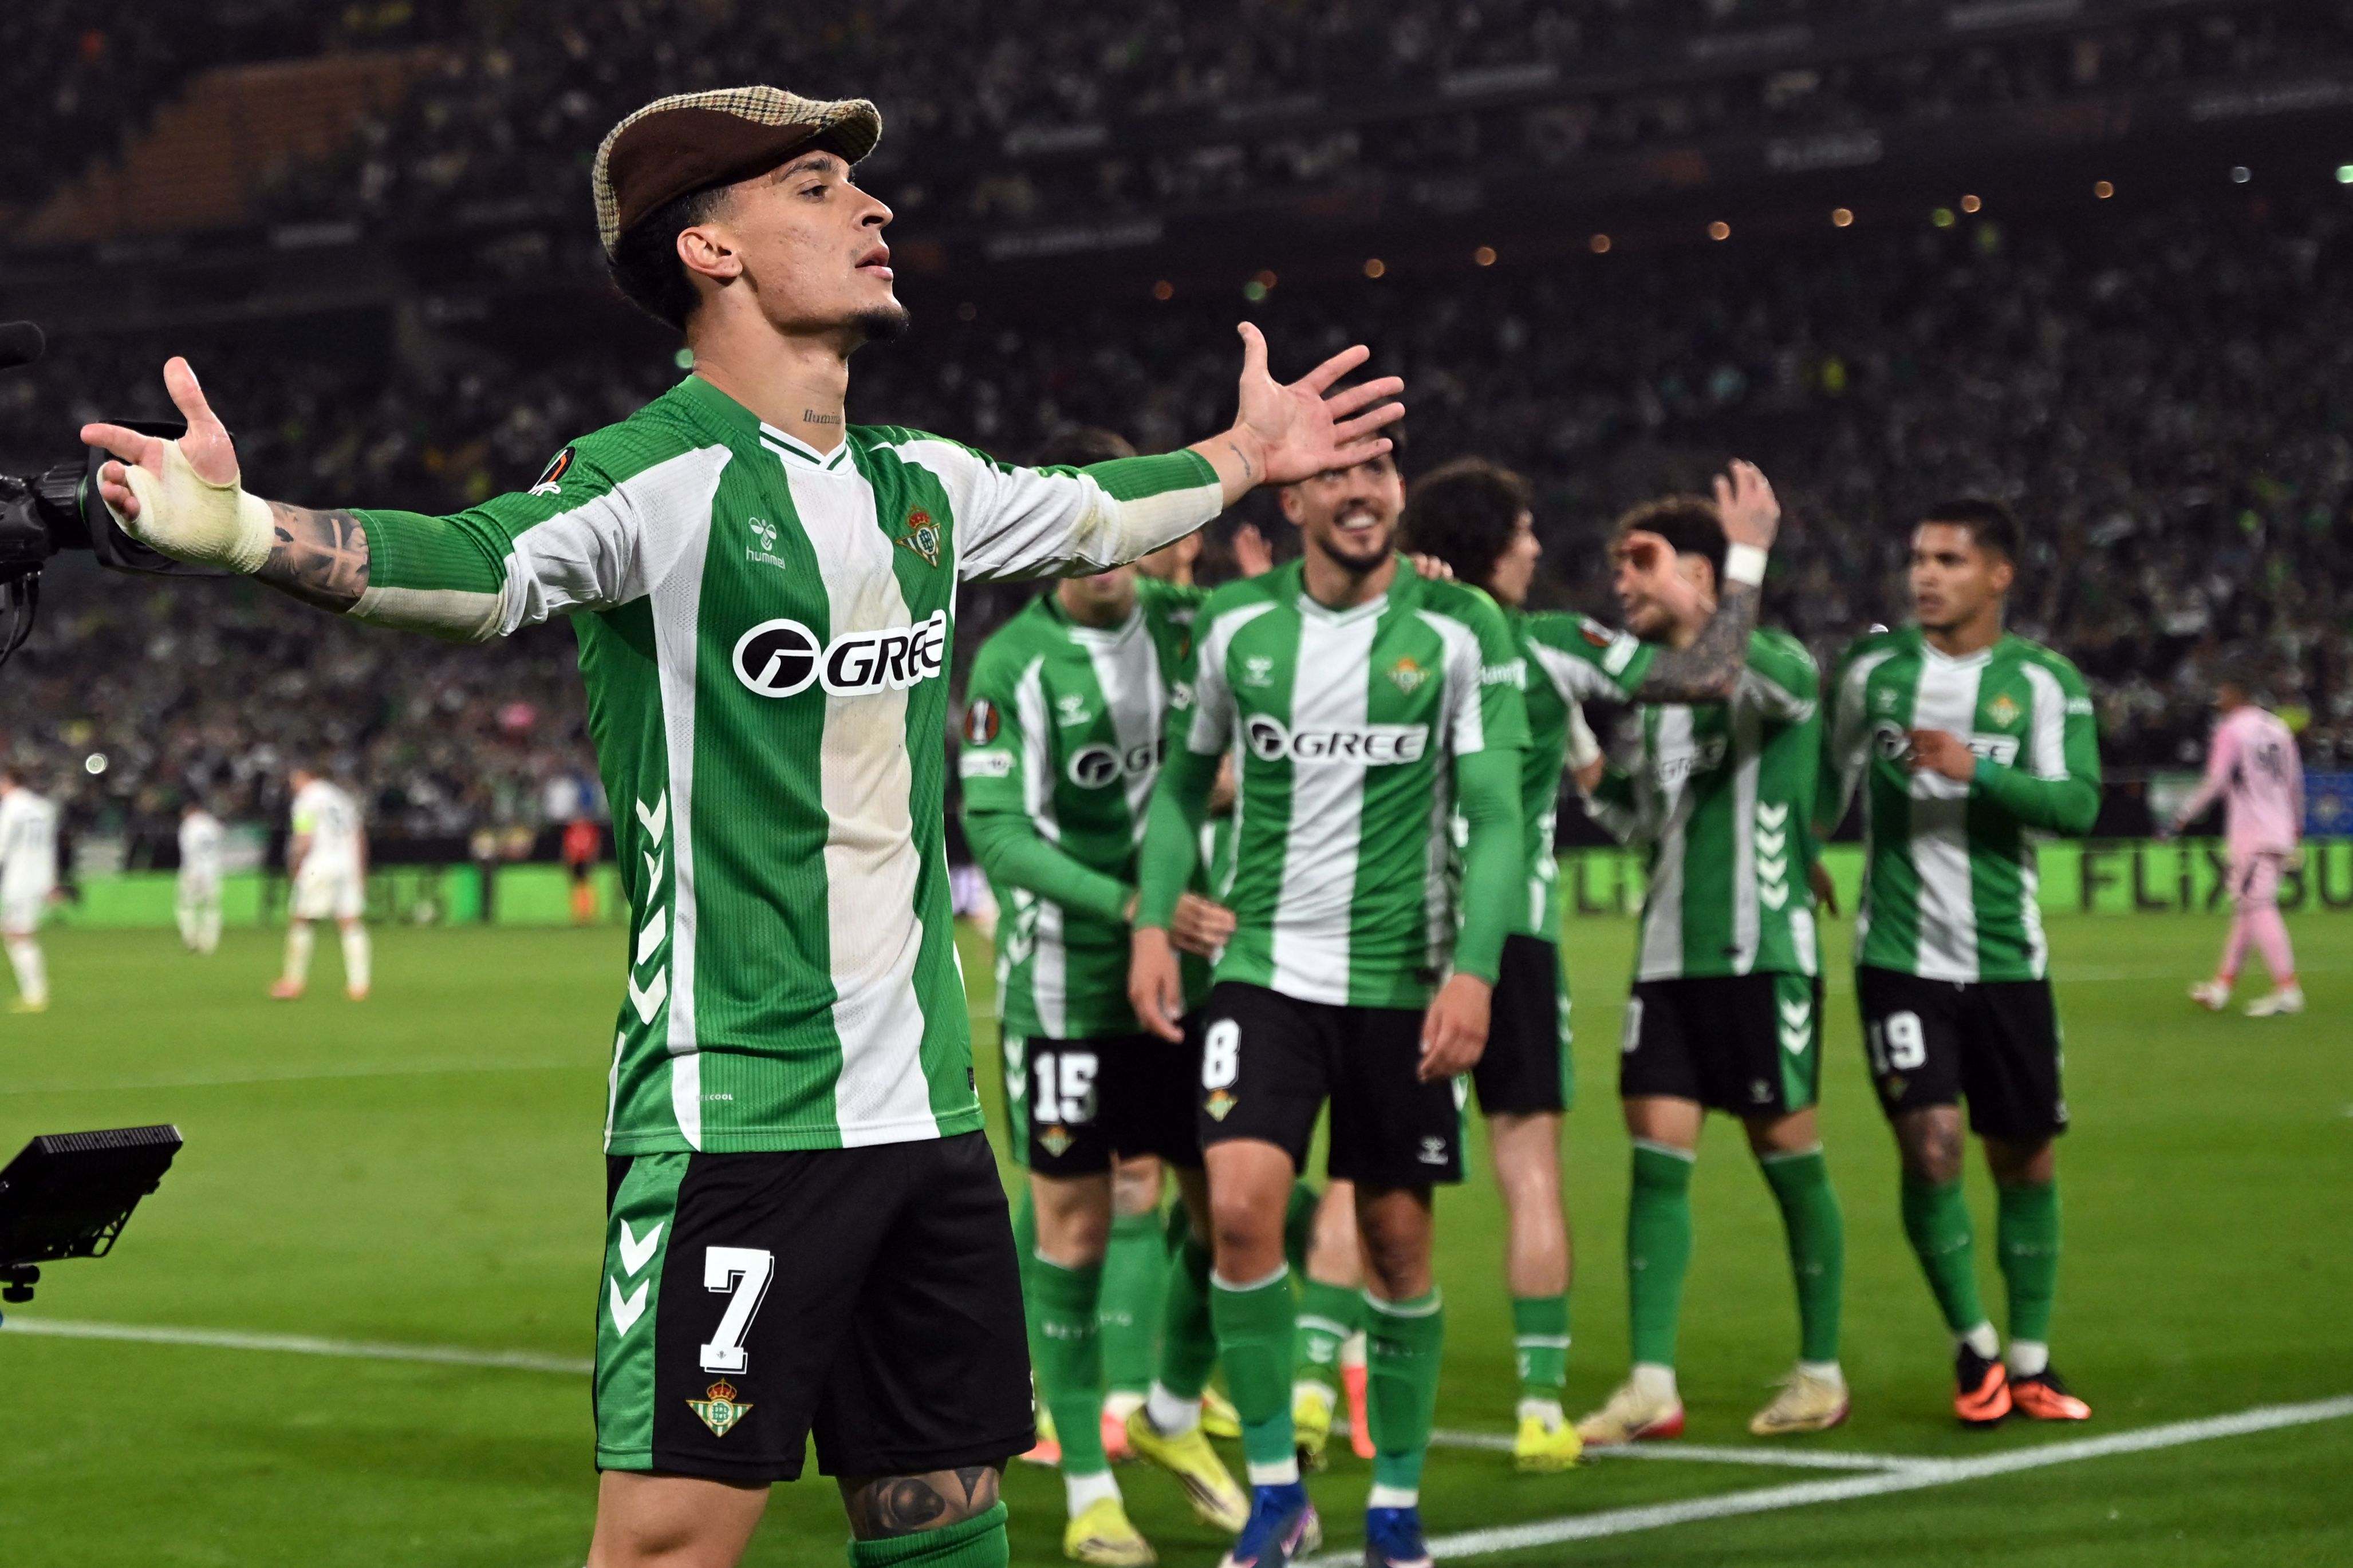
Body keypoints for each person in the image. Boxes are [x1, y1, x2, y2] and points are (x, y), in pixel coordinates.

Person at [84, 85, 1400, 1568]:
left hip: (926, 1113)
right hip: (737, 1119)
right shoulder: (657, 475)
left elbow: (1095, 510)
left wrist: (1243, 455)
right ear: (708, 249)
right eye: (819, 186)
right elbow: (476, 568)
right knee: (668, 1540)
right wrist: (239, 529)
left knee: (948, 1512)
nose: (873, 207)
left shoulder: (920, 483)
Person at [1127, 439, 1530, 1568]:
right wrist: (1153, 922)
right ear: (1294, 497)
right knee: (1238, 1210)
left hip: (1400, 977)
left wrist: (1474, 968)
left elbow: (1496, 813)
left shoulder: (1460, 627)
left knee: (1396, 1245)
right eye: (1336, 475)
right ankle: (1274, 1493)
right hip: (1262, 970)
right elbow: (1178, 786)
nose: (1360, 492)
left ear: (1397, 495)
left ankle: (1393, 1505)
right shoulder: (1233, 626)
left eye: (1378, 473)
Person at [1398, 459, 1811, 1457]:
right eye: (1526, 532)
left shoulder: (1387, 635)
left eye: (1640, 561)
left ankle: (1824, 1363)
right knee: (1581, 1167)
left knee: (1372, 1175)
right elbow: (1671, 740)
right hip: (1584, 950)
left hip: (1409, 932)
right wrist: (1740, 566)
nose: (1549, 551)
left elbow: (1753, 699)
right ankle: (1594, 1394)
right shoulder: (1570, 655)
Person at [958, 428, 1252, 1565]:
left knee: (1238, 1211)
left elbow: (1307, 625)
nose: (1103, 554)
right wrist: (1139, 908)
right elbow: (997, 838)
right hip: (1067, 991)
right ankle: (1087, 1483)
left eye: (1115, 528)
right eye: (1076, 533)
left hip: (1195, 977)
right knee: (1074, 1230)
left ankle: (1172, 1407)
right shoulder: (1012, 667)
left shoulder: (1191, 627)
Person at [1568, 476, 1851, 1445]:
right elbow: (1640, 824)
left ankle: (1820, 1372)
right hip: (1665, 962)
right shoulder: (1656, 704)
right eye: (1617, 564)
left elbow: (1733, 670)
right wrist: (1576, 741)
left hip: (1759, 953)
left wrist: (1740, 566)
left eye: (1640, 562)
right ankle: (1651, 1381)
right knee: (1655, 1164)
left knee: (1789, 1159)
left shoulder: (1775, 663)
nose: (1621, 581)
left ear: (1699, 571)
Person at [1816, 498, 2099, 1429]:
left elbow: (2077, 805)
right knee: (1930, 1145)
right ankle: (1974, 1347)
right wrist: (1801, 841)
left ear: (1997, 575)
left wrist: (1978, 770)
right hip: (1898, 957)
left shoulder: (2043, 683)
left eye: (1947, 559)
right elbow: (1825, 772)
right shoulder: (1871, 672)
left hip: (2008, 959)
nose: (1925, 575)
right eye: (1918, 557)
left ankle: (2032, 1358)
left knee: (2024, 1157)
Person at [2172, 673, 2305, 1017]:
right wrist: (2296, 828)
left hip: (2252, 832)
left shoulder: (2231, 730)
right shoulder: (2279, 728)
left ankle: (2288, 989)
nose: (2218, 700)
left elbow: (2216, 780)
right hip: (2279, 828)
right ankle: (2222, 987)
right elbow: (2295, 783)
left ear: (2236, 694)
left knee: (2259, 906)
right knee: (2248, 909)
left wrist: (2184, 814)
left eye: (2222, 693)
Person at [274, 767, 371, 1001]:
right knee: (350, 922)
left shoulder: (306, 800)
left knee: (301, 919)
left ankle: (293, 981)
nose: (292, 784)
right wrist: (360, 870)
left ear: (304, 776)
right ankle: (359, 984)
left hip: (320, 863)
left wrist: (295, 864)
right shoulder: (342, 798)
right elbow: (359, 836)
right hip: (347, 864)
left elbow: (304, 838)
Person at [0, 769, 59, 1013]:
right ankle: (35, 990)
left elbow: (2, 845)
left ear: (9, 782)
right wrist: (51, 882)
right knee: (13, 931)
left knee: (19, 935)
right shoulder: (45, 808)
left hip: (19, 879)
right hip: (39, 878)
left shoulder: (11, 807)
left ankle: (35, 994)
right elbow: (49, 847)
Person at [177, 799, 226, 955]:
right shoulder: (213, 824)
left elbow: (189, 851)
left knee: (186, 906)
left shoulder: (189, 825)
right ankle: (209, 943)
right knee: (212, 907)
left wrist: (194, 872)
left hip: (193, 870)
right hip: (213, 871)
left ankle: (191, 938)